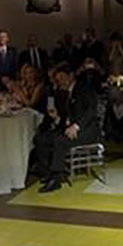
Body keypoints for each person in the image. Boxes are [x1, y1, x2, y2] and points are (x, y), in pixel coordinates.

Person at [34, 64, 101, 193]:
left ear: (70, 76)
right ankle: (50, 172)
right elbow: (65, 117)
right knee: (41, 139)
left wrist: (76, 126)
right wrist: (57, 118)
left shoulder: (84, 89)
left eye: (62, 79)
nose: (60, 82)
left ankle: (57, 178)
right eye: (58, 80)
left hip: (86, 130)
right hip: (67, 128)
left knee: (60, 140)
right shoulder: (63, 92)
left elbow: (91, 110)